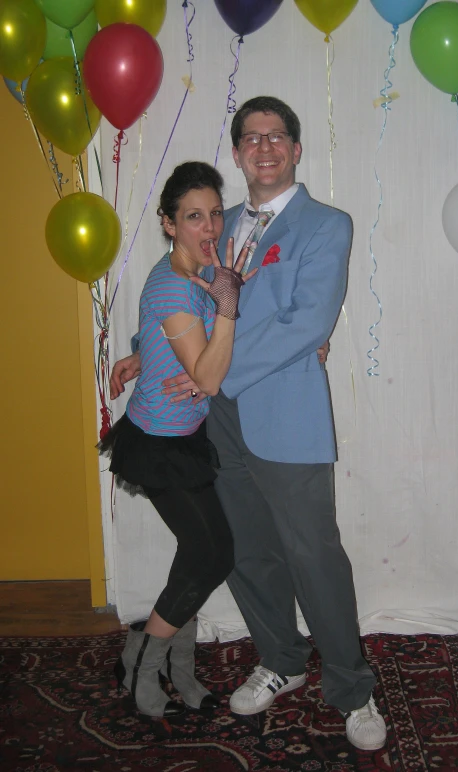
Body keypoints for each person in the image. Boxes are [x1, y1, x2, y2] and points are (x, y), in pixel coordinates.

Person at [111, 97, 387, 751]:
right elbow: (181, 295)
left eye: (276, 136)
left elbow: (307, 325)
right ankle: (281, 659)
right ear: (237, 153)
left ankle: (352, 687)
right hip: (214, 422)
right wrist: (141, 347)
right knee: (245, 552)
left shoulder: (326, 225)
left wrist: (217, 376)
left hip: (282, 414)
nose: (263, 147)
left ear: (294, 150)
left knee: (312, 554)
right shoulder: (218, 222)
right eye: (250, 137)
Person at [101, 161, 257, 719]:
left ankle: (176, 665)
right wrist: (229, 303)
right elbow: (209, 376)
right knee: (212, 552)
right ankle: (142, 660)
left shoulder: (191, 270)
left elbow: (163, 328)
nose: (209, 226)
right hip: (159, 445)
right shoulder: (180, 284)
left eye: (215, 213)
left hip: (186, 438)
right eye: (194, 217)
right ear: (169, 224)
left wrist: (144, 353)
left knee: (200, 553)